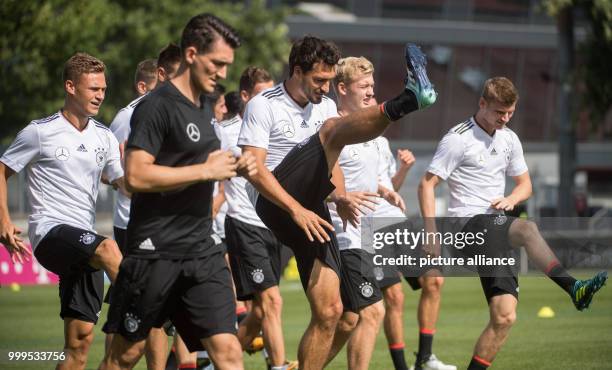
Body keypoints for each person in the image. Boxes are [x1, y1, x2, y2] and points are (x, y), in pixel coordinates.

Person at [239, 36, 437, 370]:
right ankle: (407, 101)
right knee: (332, 129)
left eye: (330, 80)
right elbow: (254, 169)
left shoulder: (326, 107)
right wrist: (296, 209)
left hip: (312, 205)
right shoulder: (264, 104)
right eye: (319, 80)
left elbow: (332, 166)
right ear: (297, 71)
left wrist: (340, 197)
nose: (325, 87)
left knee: (334, 313)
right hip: (274, 200)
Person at [418, 76, 608, 370]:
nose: (505, 118)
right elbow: (427, 185)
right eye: (498, 112)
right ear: (482, 104)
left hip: (494, 225)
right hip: (465, 227)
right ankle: (574, 288)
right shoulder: (457, 139)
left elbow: (525, 185)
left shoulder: (509, 138)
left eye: (510, 112)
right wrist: (431, 235)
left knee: (504, 316)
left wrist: (511, 199)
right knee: (527, 228)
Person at [100, 14, 256, 370]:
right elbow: (136, 175)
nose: (223, 74)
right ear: (190, 54)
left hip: (202, 251)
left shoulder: (204, 108)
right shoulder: (156, 106)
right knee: (125, 356)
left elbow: (199, 160)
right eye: (216, 63)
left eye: (227, 66)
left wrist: (231, 163)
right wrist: (205, 170)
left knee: (229, 353)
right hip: (154, 252)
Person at [0, 52, 124, 370]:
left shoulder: (105, 137)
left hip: (83, 244)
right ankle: (150, 309)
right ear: (70, 87)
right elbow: (1, 171)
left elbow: (123, 181)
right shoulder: (40, 132)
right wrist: (2, 219)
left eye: (103, 89)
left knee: (78, 347)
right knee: (110, 249)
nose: (100, 95)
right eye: (93, 88)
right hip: (50, 232)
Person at [105, 47, 182, 370]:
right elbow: (111, 166)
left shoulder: (179, 110)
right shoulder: (128, 115)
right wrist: (128, 184)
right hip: (133, 224)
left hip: (169, 224)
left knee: (160, 312)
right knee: (131, 307)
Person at [218, 66, 298, 370]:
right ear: (245, 96)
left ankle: (219, 363)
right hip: (243, 224)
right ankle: (279, 366)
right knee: (272, 303)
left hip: (275, 226)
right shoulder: (224, 132)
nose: (269, 101)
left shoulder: (276, 127)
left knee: (261, 312)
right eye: (262, 94)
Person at [321, 56, 390, 370]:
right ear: (342, 88)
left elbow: (364, 175)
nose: (369, 91)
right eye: (363, 86)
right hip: (344, 237)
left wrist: (385, 189)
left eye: (372, 86)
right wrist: (341, 197)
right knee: (373, 311)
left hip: (367, 237)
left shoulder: (370, 131)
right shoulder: (333, 128)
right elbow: (325, 176)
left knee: (348, 320)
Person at [373, 135, 456, 370]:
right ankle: (401, 367)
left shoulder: (381, 141)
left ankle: (425, 358)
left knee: (434, 280)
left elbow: (391, 188)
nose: (370, 97)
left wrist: (404, 169)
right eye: (366, 95)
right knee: (394, 297)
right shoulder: (347, 137)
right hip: (369, 226)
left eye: (372, 95)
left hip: (397, 220)